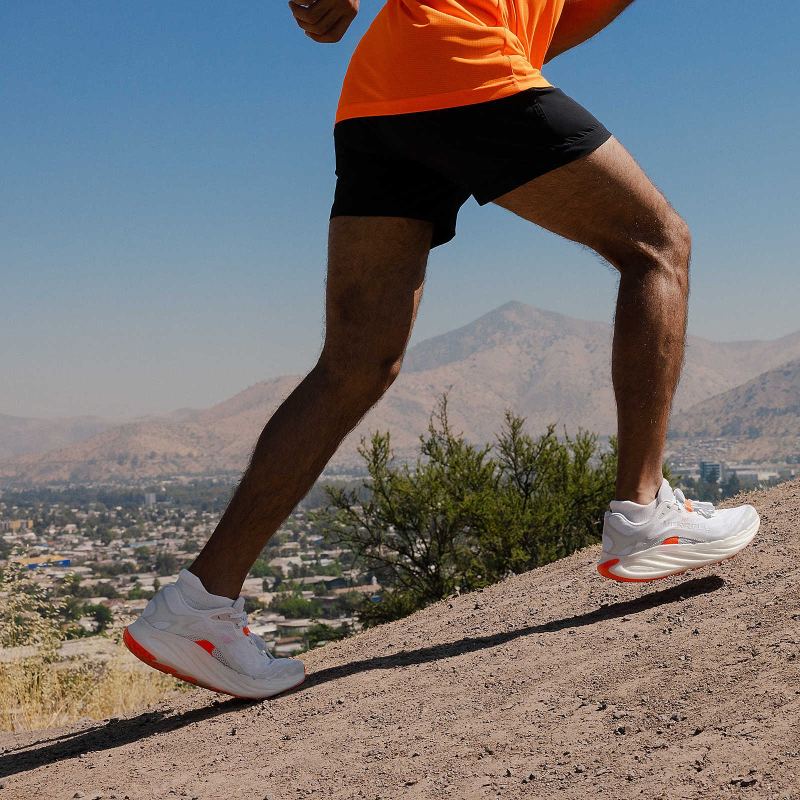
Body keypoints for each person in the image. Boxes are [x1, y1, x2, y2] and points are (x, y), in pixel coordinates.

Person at [124, 0, 760, 698]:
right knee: (658, 246)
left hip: (381, 93)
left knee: (355, 364)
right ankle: (642, 512)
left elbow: (562, 20)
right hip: (459, 58)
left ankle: (199, 604)